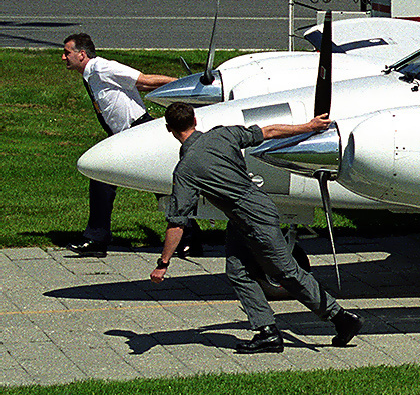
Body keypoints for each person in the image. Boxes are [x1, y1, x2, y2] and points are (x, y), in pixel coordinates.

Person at [153, 102, 362, 354]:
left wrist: (163, 263)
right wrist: (309, 126)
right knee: (237, 271)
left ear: (169, 129)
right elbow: (270, 131)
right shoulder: (223, 134)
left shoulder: (186, 170)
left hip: (254, 218)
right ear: (195, 120)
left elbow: (177, 223)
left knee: (286, 273)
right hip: (245, 217)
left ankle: (341, 318)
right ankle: (267, 333)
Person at [62, 33, 177, 257]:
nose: (63, 57)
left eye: (67, 52)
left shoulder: (103, 68)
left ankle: (97, 239)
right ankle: (188, 238)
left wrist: (182, 83)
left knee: (108, 177)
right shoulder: (90, 74)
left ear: (82, 54)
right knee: (157, 186)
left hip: (138, 131)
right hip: (123, 135)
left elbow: (143, 81)